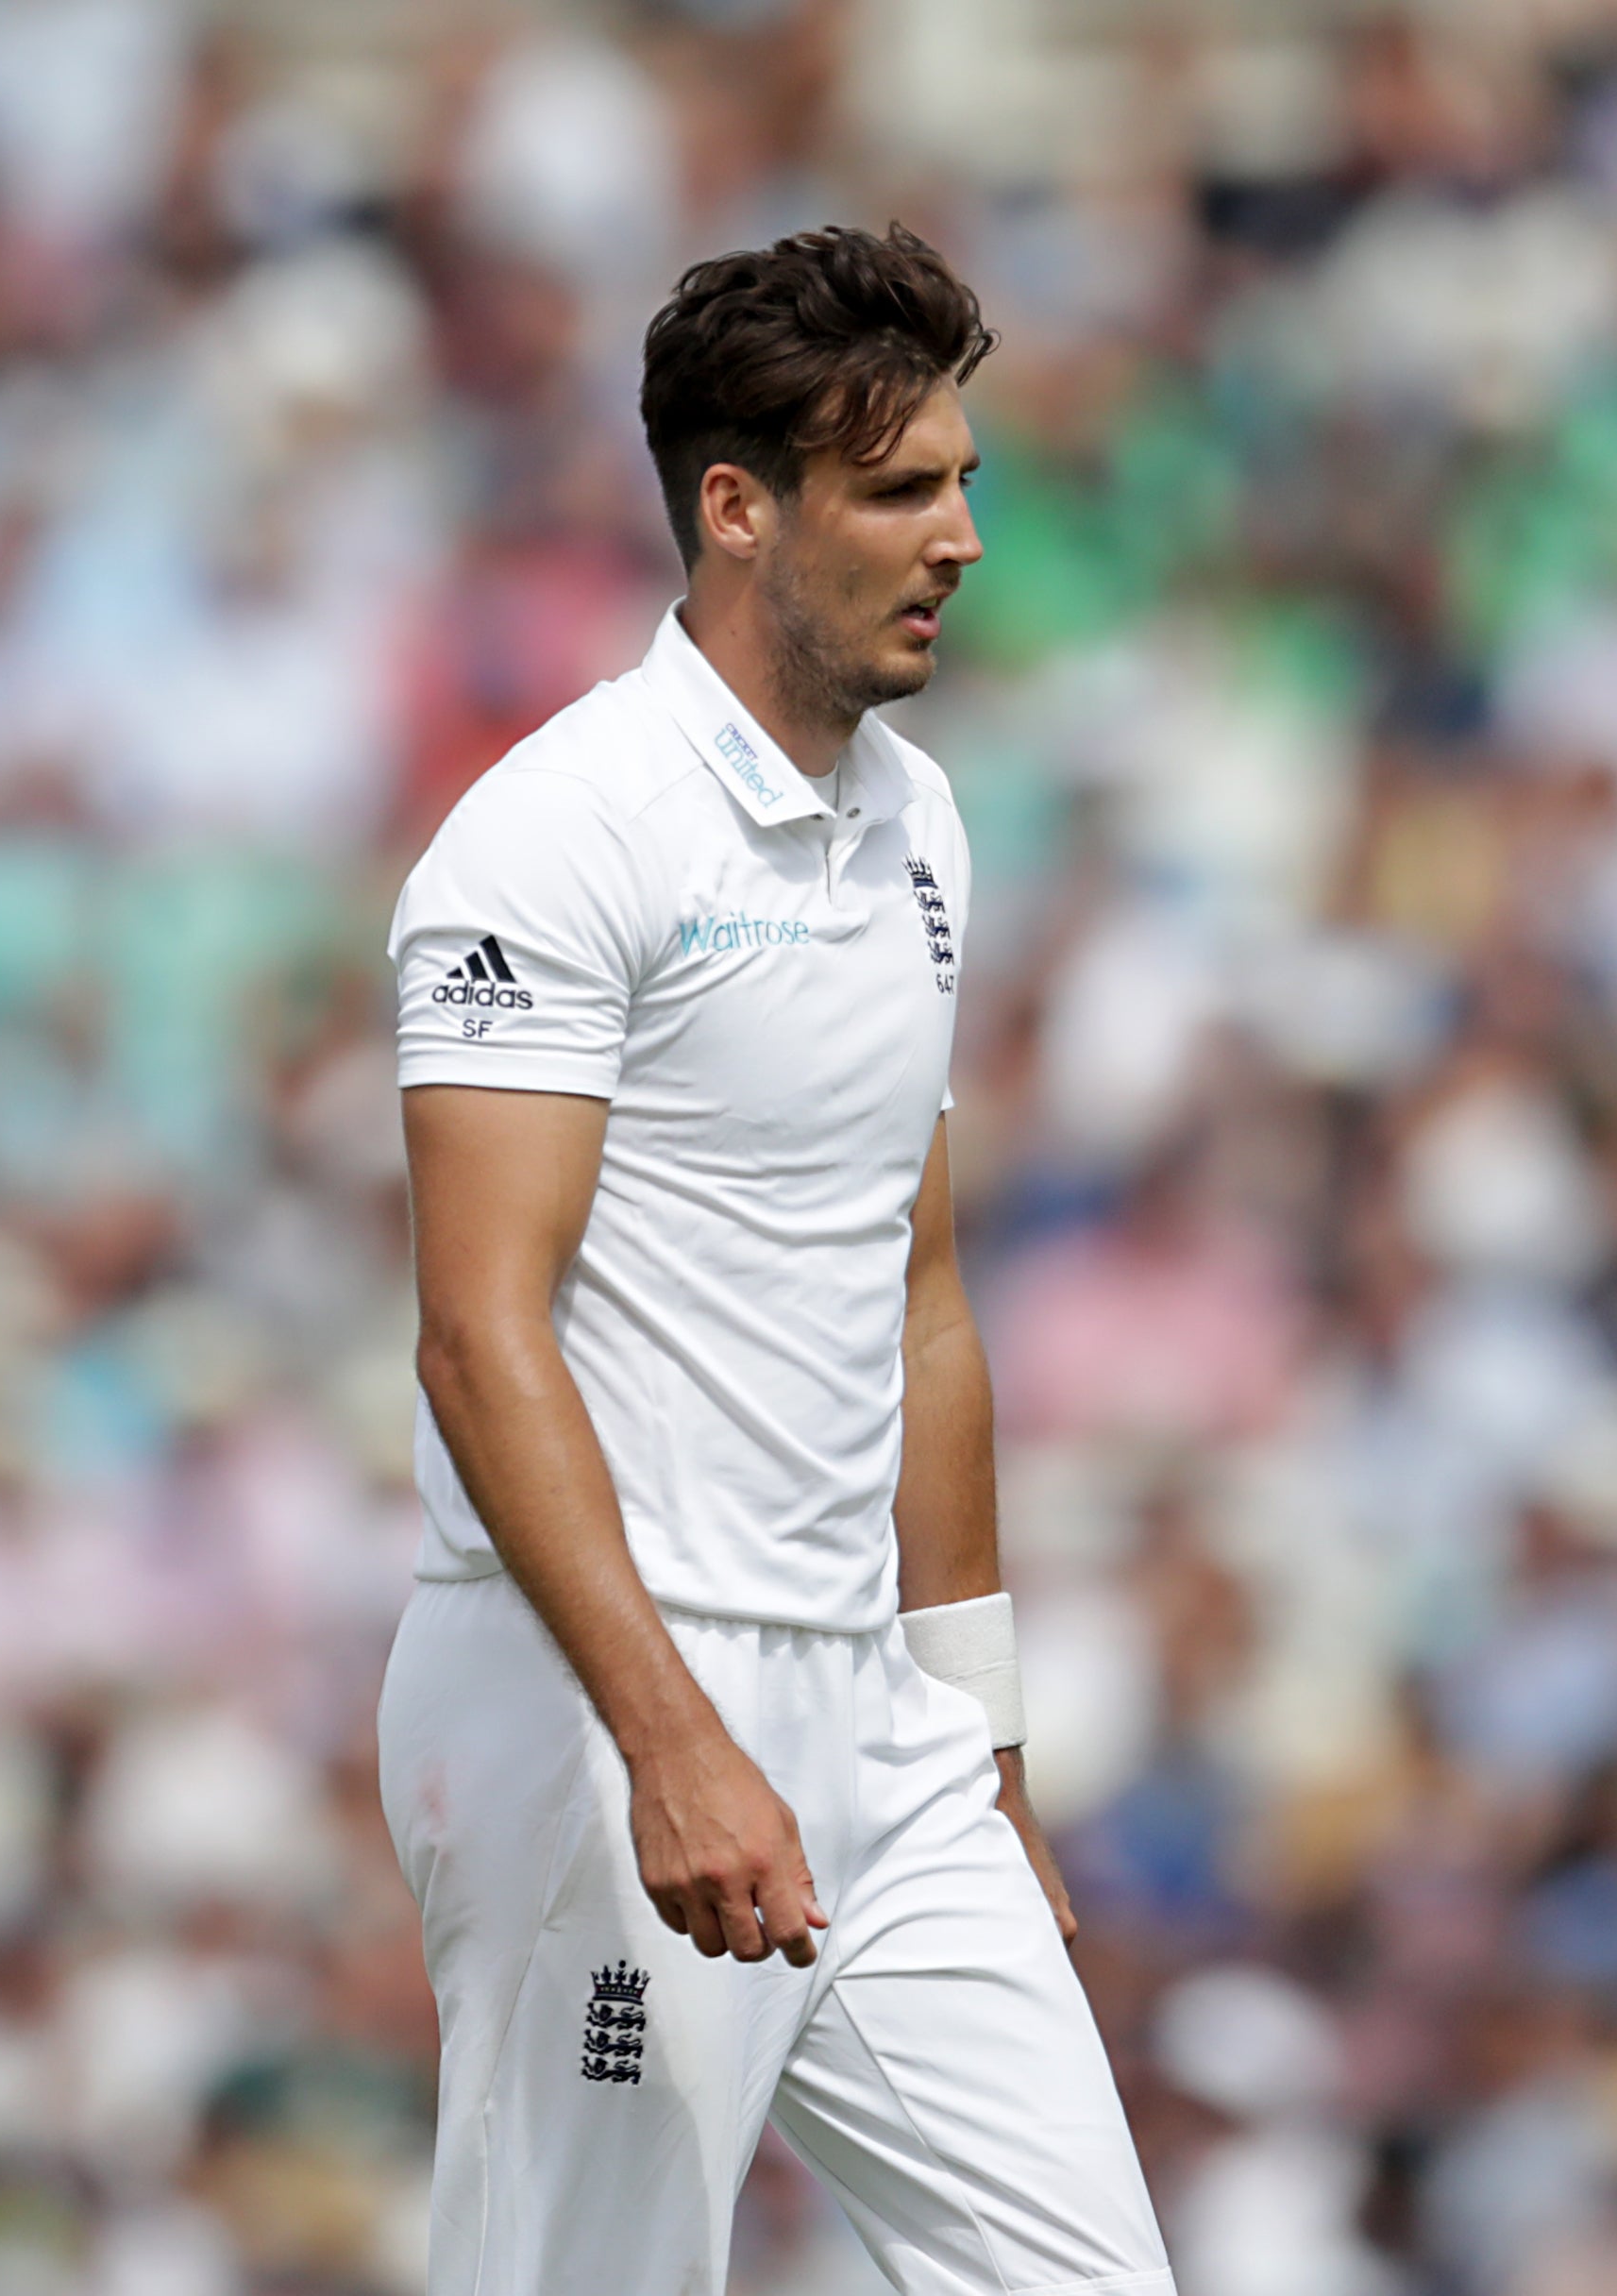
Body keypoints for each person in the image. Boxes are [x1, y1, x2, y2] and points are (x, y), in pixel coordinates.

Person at [378, 224, 1177, 2295]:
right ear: (737, 509)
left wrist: (976, 1741)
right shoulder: (558, 834)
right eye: (906, 489)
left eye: (966, 481)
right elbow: (477, 1334)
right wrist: (666, 1735)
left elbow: (915, 1297)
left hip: (876, 1726)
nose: (967, 539)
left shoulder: (919, 824)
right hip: (605, 1702)